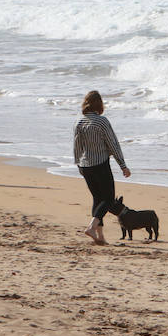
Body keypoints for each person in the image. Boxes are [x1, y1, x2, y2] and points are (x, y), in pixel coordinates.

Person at [73, 90, 130, 245]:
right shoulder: (101, 121)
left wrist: (78, 163)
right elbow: (113, 144)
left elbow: (77, 146)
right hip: (100, 164)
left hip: (85, 165)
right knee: (109, 198)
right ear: (99, 104)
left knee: (97, 199)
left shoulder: (79, 122)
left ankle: (100, 236)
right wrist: (123, 165)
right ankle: (92, 227)